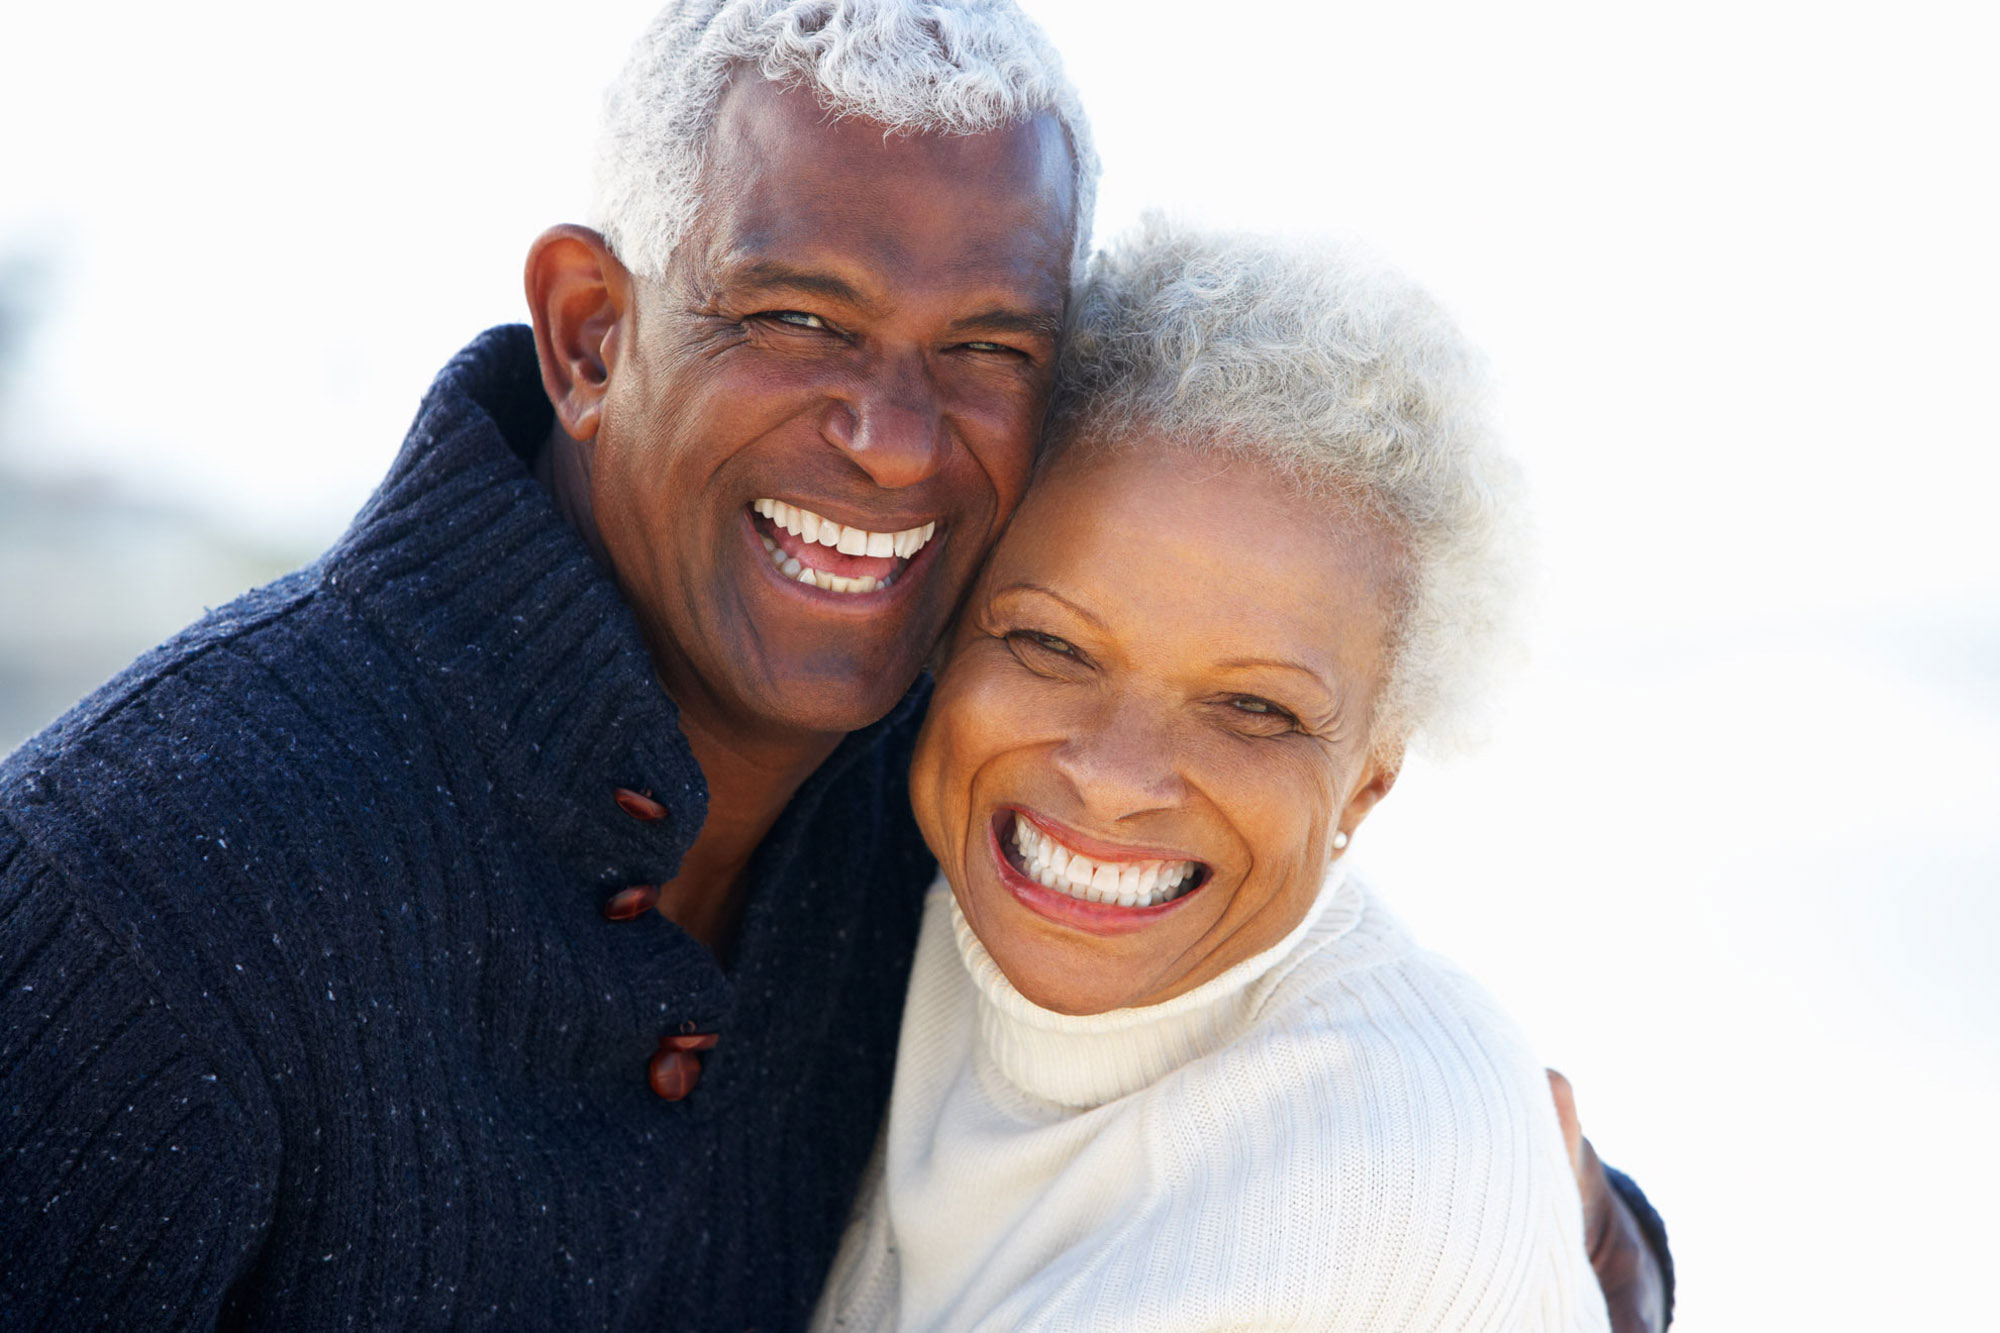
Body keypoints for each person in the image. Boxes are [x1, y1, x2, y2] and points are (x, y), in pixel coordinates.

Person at [0, 2, 1667, 1328]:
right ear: (591, 332)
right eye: (798, 318)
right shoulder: (139, 891)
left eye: (988, 348)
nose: (889, 440)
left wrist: (1572, 1236)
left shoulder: (947, 787)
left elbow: (1288, 1064)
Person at [812, 217, 1615, 1330]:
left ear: (1369, 782)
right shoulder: (858, 908)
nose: (1111, 776)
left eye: (1254, 709)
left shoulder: (1388, 1155)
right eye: (1051, 645)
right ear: (946, 638)